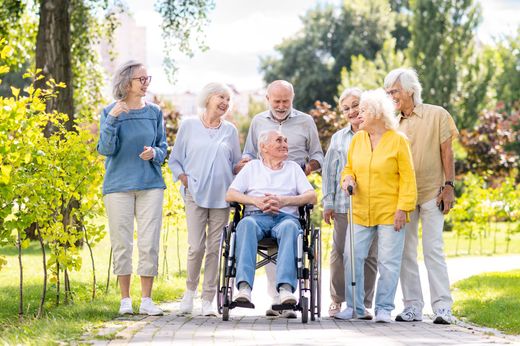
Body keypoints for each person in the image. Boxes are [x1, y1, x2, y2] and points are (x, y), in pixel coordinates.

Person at [236, 80, 324, 318]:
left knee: (288, 229)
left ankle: (284, 294)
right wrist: (249, 174)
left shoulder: (305, 122)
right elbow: (248, 153)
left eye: (286, 101)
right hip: (259, 200)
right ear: (268, 99)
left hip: (293, 191)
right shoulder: (258, 123)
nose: (282, 105)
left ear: (292, 98)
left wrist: (301, 171)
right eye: (277, 101)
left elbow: (317, 156)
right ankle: (260, 294)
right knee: (247, 224)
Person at [384, 68, 458, 324]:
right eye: (388, 92)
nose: (390, 96)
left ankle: (443, 308)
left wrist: (449, 186)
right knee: (405, 251)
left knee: (433, 250)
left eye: (394, 90)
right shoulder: (391, 123)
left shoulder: (437, 114)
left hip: (432, 193)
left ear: (410, 89)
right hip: (403, 197)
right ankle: (413, 306)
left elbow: (447, 152)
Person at [338, 88, 417, 323]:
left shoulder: (398, 141)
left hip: (391, 211)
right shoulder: (358, 140)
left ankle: (384, 308)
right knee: (352, 256)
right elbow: (349, 167)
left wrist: (403, 208)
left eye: (362, 110)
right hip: (361, 209)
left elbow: (408, 178)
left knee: (388, 261)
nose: (357, 115)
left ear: (377, 113)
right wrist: (348, 178)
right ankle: (355, 307)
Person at [97, 60, 168, 316]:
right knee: (122, 243)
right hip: (118, 186)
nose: (146, 83)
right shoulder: (110, 111)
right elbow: (105, 149)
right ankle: (125, 299)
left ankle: (147, 300)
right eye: (142, 79)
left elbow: (163, 146)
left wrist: (155, 152)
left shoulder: (154, 112)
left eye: (148, 78)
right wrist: (113, 119)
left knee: (149, 243)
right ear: (127, 82)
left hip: (150, 185)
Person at [168, 82, 242, 316]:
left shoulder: (229, 130)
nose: (224, 103)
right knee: (196, 246)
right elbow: (175, 159)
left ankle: (208, 299)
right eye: (221, 97)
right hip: (195, 193)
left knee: (213, 248)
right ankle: (189, 293)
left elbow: (235, 164)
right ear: (208, 98)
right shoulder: (189, 125)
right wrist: (184, 178)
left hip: (222, 195)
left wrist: (245, 166)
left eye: (228, 100)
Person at [226, 129, 317, 309]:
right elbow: (230, 194)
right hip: (255, 216)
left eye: (285, 140)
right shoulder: (252, 167)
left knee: (291, 228)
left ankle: (285, 290)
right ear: (263, 147)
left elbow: (311, 196)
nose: (284, 144)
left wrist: (285, 201)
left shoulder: (293, 168)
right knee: (245, 225)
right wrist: (255, 201)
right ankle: (244, 288)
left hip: (286, 218)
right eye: (278, 140)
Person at [322, 88, 378, 318]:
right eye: (346, 108)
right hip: (345, 205)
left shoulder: (378, 133)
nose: (352, 111)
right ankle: (338, 299)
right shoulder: (339, 138)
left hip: (373, 205)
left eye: (355, 105)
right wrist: (328, 202)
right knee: (340, 252)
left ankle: (363, 302)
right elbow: (330, 172)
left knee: (370, 255)